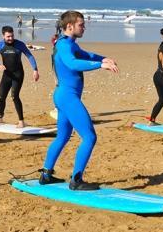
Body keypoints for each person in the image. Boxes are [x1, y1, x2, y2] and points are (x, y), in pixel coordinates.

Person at [39, 10, 119, 190]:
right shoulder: (64, 46)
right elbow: (73, 63)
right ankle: (76, 180)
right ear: (70, 26)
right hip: (68, 97)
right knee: (90, 137)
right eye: (81, 25)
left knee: (62, 136)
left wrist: (102, 58)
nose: (84, 28)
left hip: (63, 95)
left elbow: (86, 55)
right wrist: (100, 65)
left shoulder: (69, 43)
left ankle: (46, 175)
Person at [0, 26, 39, 128]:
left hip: (18, 74)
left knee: (14, 96)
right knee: (1, 96)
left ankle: (21, 121)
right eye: (8, 36)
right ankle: (0, 118)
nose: (10, 38)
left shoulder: (19, 44)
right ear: (3, 36)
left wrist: (35, 70)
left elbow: (29, 56)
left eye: (12, 36)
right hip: (7, 75)